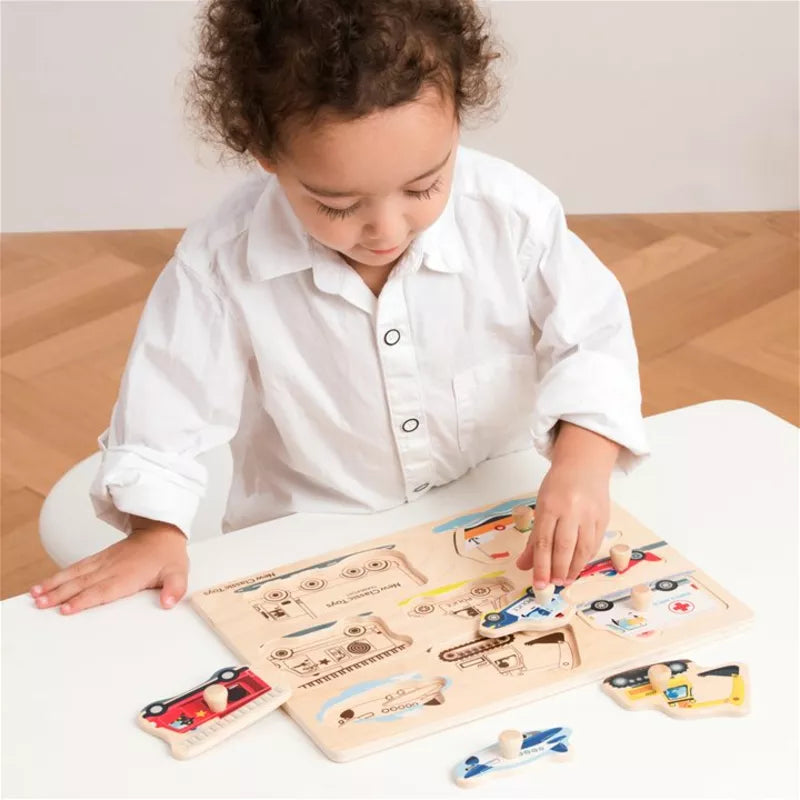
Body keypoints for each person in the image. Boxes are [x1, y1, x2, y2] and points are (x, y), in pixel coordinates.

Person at [30, 0, 649, 615]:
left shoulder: (512, 216)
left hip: (497, 520)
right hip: (314, 556)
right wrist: (155, 532)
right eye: (337, 205)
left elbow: (592, 336)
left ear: (457, 120)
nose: (386, 228)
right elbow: (165, 411)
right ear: (266, 154)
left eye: (423, 186)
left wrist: (582, 459)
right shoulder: (221, 263)